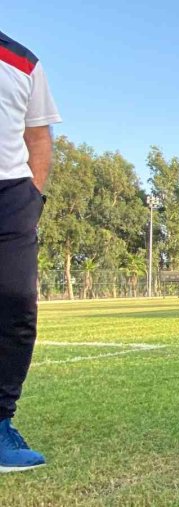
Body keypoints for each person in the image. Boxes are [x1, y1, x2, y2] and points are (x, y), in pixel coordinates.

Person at [0, 30, 61, 473]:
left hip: (13, 196)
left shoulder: (23, 61)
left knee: (18, 306)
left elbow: (38, 137)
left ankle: (0, 424)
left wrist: (32, 198)